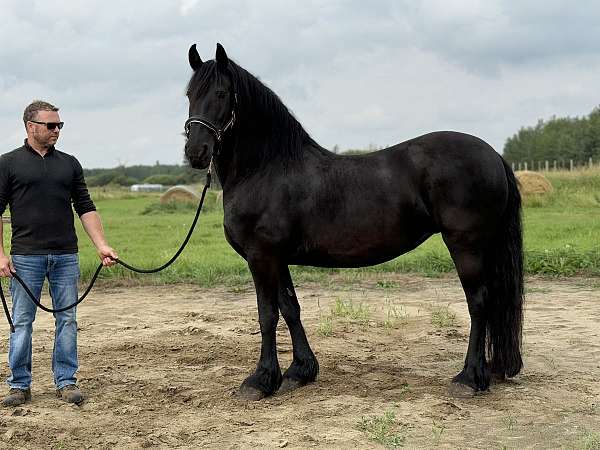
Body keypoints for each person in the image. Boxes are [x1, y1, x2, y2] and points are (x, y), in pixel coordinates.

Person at [0, 100, 118, 407]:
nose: (57, 131)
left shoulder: (70, 163)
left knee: (67, 319)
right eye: (51, 125)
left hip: (66, 254)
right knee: (22, 321)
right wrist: (0, 256)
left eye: (59, 125)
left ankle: (66, 381)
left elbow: (85, 207)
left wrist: (101, 245)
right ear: (31, 126)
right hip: (26, 256)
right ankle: (19, 385)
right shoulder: (8, 163)